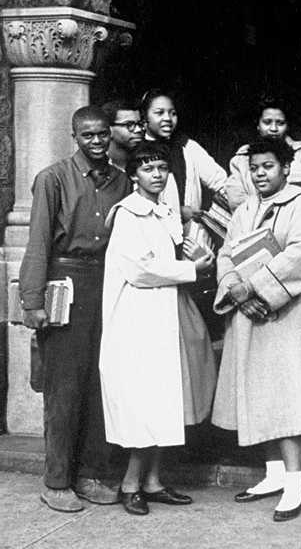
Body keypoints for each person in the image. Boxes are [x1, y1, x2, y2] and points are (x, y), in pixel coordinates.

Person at [21, 105, 131, 512]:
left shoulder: (122, 182)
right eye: (89, 136)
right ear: (75, 137)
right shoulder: (52, 179)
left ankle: (91, 473)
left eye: (103, 134)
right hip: (63, 282)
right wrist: (33, 302)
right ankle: (56, 481)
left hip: (109, 283)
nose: (98, 141)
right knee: (63, 386)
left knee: (100, 383)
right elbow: (38, 243)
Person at [212, 139, 301, 522]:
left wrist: (255, 287)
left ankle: (295, 483)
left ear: (286, 168)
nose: (261, 174)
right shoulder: (245, 208)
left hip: (289, 313)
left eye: (269, 167)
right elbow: (227, 252)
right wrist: (235, 288)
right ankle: (273, 474)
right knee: (257, 392)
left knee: (288, 392)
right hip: (249, 310)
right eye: (256, 168)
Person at [99, 141, 215, 515]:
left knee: (165, 397)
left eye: (162, 168)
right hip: (138, 317)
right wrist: (190, 270)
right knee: (146, 401)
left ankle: (153, 480)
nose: (157, 175)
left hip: (164, 311)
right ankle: (131, 482)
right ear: (133, 175)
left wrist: (194, 257)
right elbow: (139, 270)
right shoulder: (129, 215)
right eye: (148, 169)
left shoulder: (162, 211)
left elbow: (166, 256)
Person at [223, 96, 301, 210]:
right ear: (258, 125)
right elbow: (236, 199)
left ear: (287, 126)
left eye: (280, 123)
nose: (273, 128)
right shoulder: (241, 160)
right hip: (255, 224)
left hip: (298, 223)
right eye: (267, 122)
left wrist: (294, 214)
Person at [140, 88, 228, 221]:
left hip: (189, 234)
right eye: (159, 113)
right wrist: (178, 212)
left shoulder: (187, 146)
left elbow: (219, 180)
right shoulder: (136, 149)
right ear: (144, 116)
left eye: (173, 113)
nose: (167, 118)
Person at [101, 99, 144, 171]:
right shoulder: (97, 166)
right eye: (129, 124)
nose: (139, 129)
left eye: (140, 124)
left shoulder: (150, 162)